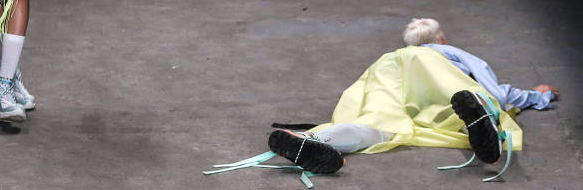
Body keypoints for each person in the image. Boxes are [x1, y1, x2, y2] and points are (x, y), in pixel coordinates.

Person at [212, 18, 558, 181]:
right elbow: (496, 88)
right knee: (475, 102)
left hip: (393, 90)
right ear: (442, 39)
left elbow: (365, 86)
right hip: (444, 95)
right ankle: (481, 124)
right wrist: (538, 95)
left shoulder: (395, 57)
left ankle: (311, 138)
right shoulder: (448, 52)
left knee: (373, 126)